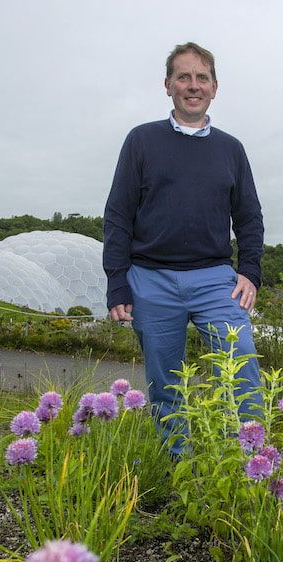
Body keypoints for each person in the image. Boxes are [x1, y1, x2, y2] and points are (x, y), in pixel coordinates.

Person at [103, 42, 264, 457]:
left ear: (215, 87)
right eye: (184, 77)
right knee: (165, 383)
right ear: (168, 85)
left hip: (215, 278)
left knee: (241, 365)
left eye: (202, 78)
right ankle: (182, 470)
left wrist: (250, 271)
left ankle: (250, 465)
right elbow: (118, 214)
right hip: (150, 278)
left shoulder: (231, 149)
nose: (193, 86)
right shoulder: (141, 140)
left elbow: (249, 217)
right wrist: (117, 283)